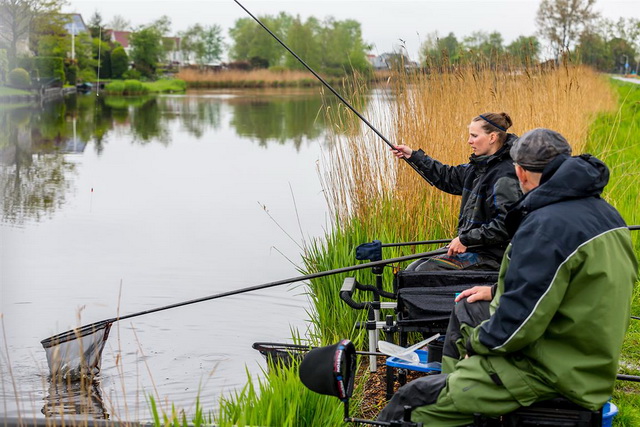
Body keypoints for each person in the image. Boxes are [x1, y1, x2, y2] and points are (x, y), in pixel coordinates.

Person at [378, 128, 638, 425]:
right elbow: (561, 284)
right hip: (582, 350)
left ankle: (456, 396)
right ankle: (459, 392)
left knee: (411, 401)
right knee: (468, 305)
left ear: (521, 173)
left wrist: (476, 350)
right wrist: (496, 290)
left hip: (553, 370)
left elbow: (517, 328)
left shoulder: (546, 226)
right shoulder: (604, 213)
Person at [391, 112, 521, 271]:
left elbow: (506, 225)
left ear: (492, 137)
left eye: (474, 136)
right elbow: (446, 176)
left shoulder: (504, 175)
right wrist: (412, 156)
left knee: (425, 271)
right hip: (475, 247)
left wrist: (465, 239)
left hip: (494, 256)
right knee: (413, 268)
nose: (469, 141)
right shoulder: (478, 167)